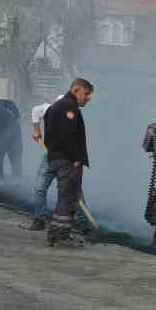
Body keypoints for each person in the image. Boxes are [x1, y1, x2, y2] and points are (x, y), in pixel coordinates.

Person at [27, 95, 92, 233]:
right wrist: (37, 129)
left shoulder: (74, 116)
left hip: (68, 158)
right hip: (50, 156)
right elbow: (35, 110)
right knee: (40, 187)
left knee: (73, 190)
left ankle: (84, 223)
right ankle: (40, 219)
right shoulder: (49, 109)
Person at [42, 79, 94, 247]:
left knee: (64, 196)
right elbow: (68, 135)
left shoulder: (56, 106)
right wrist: (76, 159)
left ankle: (54, 233)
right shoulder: (69, 107)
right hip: (67, 161)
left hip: (56, 158)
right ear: (76, 90)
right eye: (86, 94)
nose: (88, 98)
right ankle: (63, 236)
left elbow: (50, 131)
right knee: (69, 198)